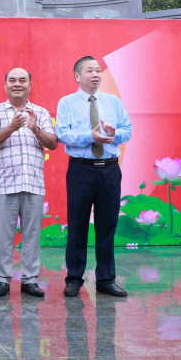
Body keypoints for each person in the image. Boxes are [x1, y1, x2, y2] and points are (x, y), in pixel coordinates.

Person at [56, 56, 132, 297]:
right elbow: (63, 134)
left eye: (98, 70)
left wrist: (114, 133)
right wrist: (91, 136)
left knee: (107, 225)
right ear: (78, 76)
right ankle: (74, 279)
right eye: (90, 71)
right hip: (81, 169)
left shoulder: (113, 102)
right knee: (77, 224)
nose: (96, 74)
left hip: (109, 170)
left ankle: (106, 280)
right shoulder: (66, 102)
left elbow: (127, 130)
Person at [0, 68, 58, 298]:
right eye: (12, 80)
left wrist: (35, 129)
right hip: (5, 184)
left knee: (32, 234)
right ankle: (3, 280)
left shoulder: (41, 112)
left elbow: (53, 143)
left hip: (33, 183)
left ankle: (30, 279)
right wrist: (11, 127)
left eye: (22, 80)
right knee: (4, 235)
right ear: (5, 85)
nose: (17, 84)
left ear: (30, 85)